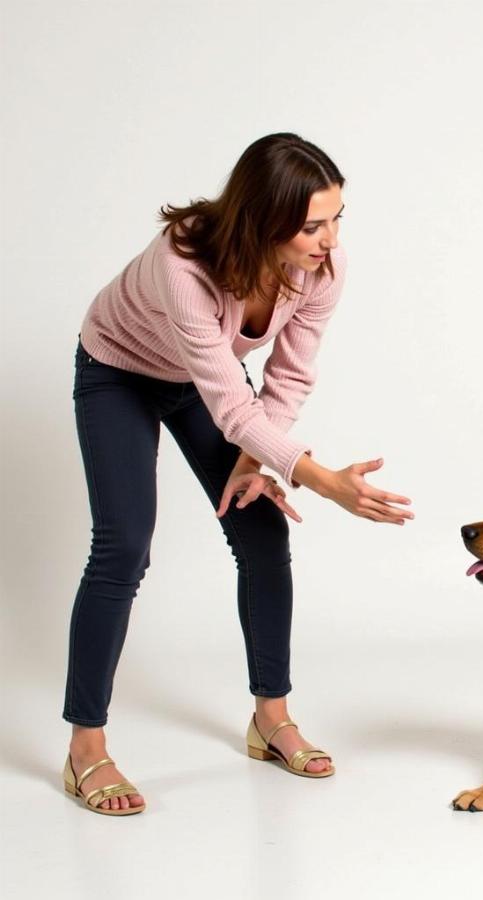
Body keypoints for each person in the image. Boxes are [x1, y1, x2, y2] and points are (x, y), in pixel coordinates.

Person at [62, 132, 414, 816]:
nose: (330, 238)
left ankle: (270, 718)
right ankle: (85, 748)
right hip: (118, 373)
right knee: (123, 545)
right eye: (313, 224)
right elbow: (231, 402)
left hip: (203, 384)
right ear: (262, 217)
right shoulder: (183, 263)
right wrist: (322, 480)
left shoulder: (322, 270)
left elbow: (288, 375)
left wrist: (261, 461)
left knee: (261, 532)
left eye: (339, 217)